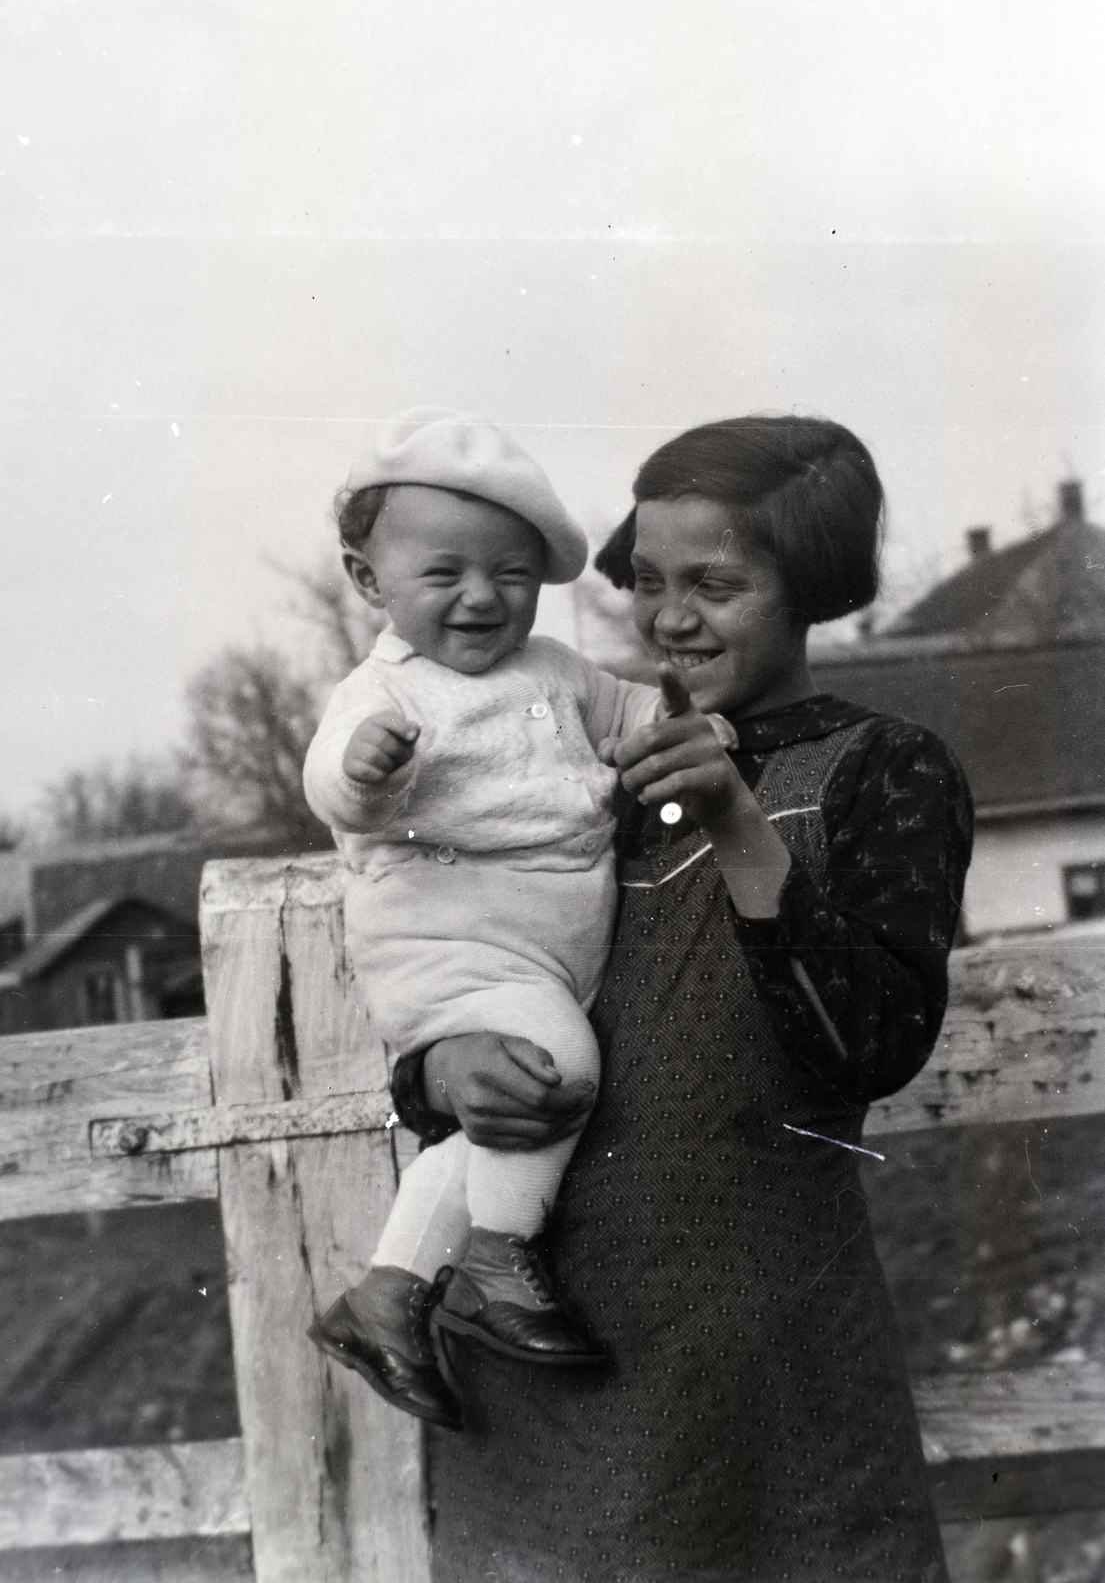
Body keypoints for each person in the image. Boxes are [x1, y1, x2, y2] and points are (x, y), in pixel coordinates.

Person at [390, 415, 973, 1582]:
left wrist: (735, 821)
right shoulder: (568, 764)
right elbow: (452, 970)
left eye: (714, 584)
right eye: (648, 581)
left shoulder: (886, 768)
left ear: (807, 586)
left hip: (767, 1361)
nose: (668, 619)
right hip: (547, 1348)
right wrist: (437, 1074)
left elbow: (871, 1042)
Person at [304, 410, 726, 1432]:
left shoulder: (555, 672)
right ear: (369, 582)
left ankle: (389, 1292)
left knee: (508, 1118)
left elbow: (637, 718)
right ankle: (496, 1262)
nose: (483, 598)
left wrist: (692, 728)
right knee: (558, 1076)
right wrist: (364, 771)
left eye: (511, 574)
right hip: (453, 947)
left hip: (542, 953)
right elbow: (334, 783)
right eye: (443, 574)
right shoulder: (383, 697)